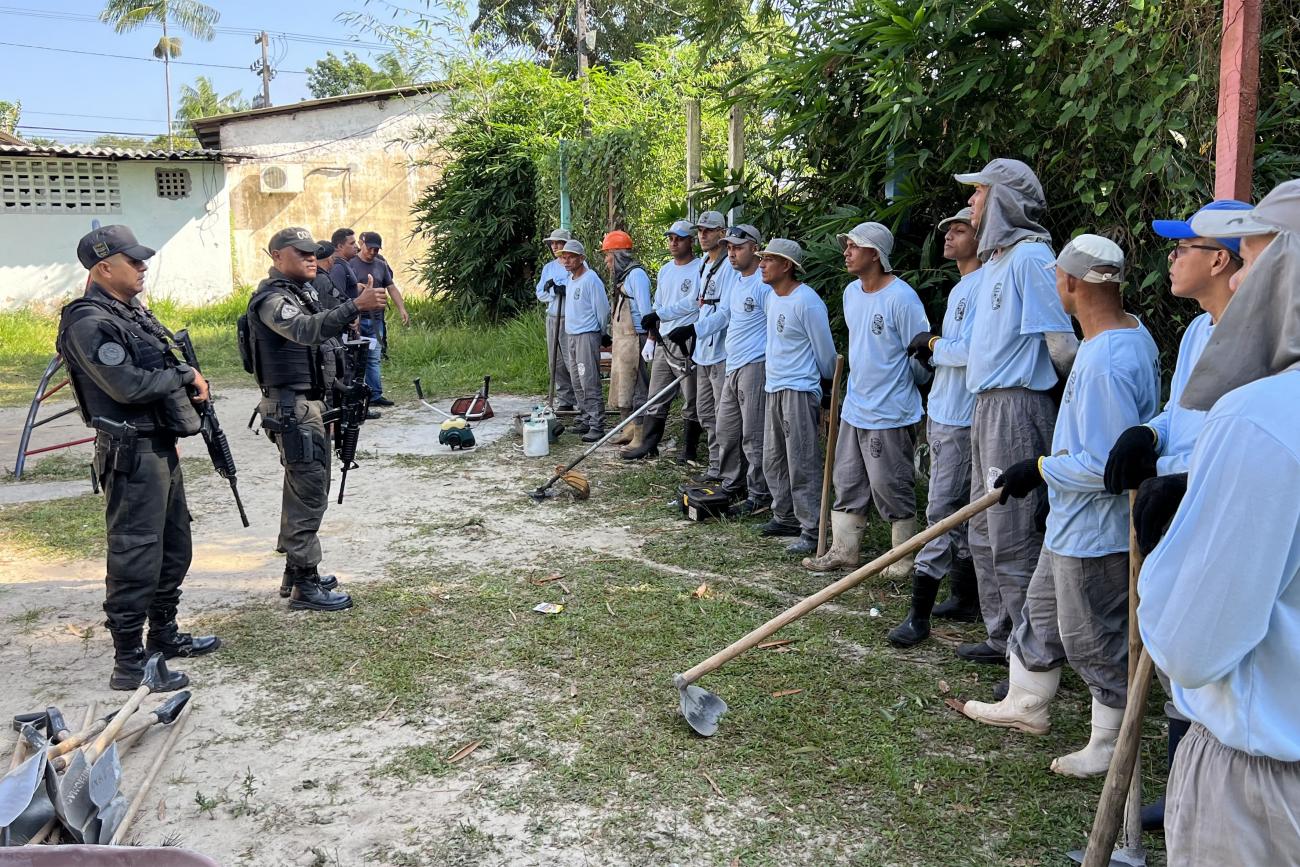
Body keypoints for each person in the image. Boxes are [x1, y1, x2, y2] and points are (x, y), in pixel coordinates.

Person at [1136, 180, 1300, 865]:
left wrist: (1167, 558)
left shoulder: (1262, 417)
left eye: (1252, 258)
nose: (1239, 278)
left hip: (1261, 778)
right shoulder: (1210, 355)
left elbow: (1193, 643)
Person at [962, 235, 1160, 779]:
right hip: (1071, 520)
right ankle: (1026, 703)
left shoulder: (1108, 362)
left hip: (1096, 529)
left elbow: (1106, 468)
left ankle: (1109, 742)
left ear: (1070, 282)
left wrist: (1040, 469)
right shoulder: (1123, 336)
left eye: (1057, 277)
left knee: (1089, 635)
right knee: (1042, 610)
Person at [1102, 198, 1250, 830]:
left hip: (1215, 513)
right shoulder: (1195, 333)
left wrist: (1183, 479)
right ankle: (1180, 785)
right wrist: (1148, 434)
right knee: (1168, 647)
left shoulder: (1257, 342)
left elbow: (1241, 442)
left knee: (1207, 649)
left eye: (1183, 248)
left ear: (1220, 260)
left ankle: (1209, 793)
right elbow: (1179, 415)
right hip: (1171, 508)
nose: (1171, 258)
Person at [56, 224, 217, 690]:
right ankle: (128, 661)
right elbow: (126, 386)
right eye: (133, 261)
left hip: (157, 445)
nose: (143, 267)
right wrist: (185, 375)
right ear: (104, 268)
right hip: (131, 452)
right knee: (135, 554)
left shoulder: (129, 314)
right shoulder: (89, 322)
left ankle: (163, 634)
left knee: (174, 546)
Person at [951, 158, 1078, 666]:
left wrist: (1072, 407)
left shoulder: (1031, 258)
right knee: (984, 528)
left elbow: (1061, 345)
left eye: (980, 192)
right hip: (985, 405)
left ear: (1002, 199)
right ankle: (1001, 633)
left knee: (1014, 530)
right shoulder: (996, 262)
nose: (972, 201)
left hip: (1017, 408)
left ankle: (1029, 651)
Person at [246, 227, 389, 610]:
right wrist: (355, 306)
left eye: (314, 252)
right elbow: (306, 331)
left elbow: (324, 347)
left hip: (308, 405)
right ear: (277, 256)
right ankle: (305, 586)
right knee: (308, 493)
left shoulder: (301, 293)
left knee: (306, 489)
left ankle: (296, 571)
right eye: (301, 253)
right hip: (291, 408)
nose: (311, 258)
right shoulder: (273, 300)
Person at [803, 222, 929, 585]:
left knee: (890, 484)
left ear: (875, 254)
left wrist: (906, 392)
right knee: (847, 479)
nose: (846, 253)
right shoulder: (851, 293)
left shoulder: (902, 298)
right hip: (856, 406)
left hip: (889, 411)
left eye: (853, 246)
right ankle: (844, 550)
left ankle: (902, 557)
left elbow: (920, 357)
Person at [889, 208, 982, 645]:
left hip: (963, 416)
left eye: (960, 229)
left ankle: (919, 614)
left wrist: (933, 343)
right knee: (955, 511)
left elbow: (974, 351)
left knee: (942, 511)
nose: (948, 235)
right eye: (947, 229)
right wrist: (933, 355)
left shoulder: (986, 284)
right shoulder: (963, 286)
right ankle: (964, 597)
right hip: (945, 409)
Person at [669, 224, 772, 515]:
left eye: (738, 247)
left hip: (755, 363)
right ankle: (731, 481)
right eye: (730, 247)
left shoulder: (764, 284)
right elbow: (725, 313)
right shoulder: (737, 281)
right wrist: (695, 329)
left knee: (752, 434)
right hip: (732, 362)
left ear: (755, 249)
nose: (732, 253)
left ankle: (758, 494)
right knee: (726, 428)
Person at [758, 239, 837, 554]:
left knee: (802, 459)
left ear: (787, 265)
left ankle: (812, 528)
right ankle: (785, 516)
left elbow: (826, 354)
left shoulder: (807, 301)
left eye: (769, 259)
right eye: (762, 259)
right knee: (773, 457)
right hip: (774, 386)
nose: (762, 265)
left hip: (799, 388)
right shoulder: (771, 298)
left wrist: (827, 386)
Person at [657, 210, 734, 474]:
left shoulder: (729, 268)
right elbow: (694, 301)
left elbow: (726, 312)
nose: (703, 235)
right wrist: (660, 315)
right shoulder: (704, 264)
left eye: (708, 230)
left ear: (722, 233)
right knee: (705, 411)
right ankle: (714, 465)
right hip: (702, 352)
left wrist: (694, 329)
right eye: (700, 230)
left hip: (721, 350)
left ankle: (726, 469)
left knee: (724, 415)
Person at [623, 220, 701, 460]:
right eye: (671, 238)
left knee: (690, 395)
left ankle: (689, 450)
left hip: (685, 340)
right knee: (656, 394)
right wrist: (651, 335)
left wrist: (661, 314)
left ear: (691, 241)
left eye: (679, 238)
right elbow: (658, 303)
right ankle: (649, 444)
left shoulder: (699, 268)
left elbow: (693, 303)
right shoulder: (666, 270)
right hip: (664, 339)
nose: (674, 243)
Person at [601, 231, 653, 447]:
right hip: (623, 340)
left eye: (608, 255)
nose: (606, 261)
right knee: (623, 385)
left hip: (636, 338)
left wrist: (650, 339)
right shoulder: (624, 277)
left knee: (638, 386)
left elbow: (646, 312)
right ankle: (629, 427)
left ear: (618, 255)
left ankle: (641, 433)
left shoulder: (637, 276)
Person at [347, 231, 410, 408]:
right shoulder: (351, 264)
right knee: (355, 360)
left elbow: (392, 288)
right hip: (357, 319)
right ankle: (355, 397)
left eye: (376, 249)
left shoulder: (381, 265)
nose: (373, 252)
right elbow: (345, 290)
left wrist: (402, 308)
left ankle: (375, 395)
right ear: (363, 244)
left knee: (374, 358)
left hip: (376, 320)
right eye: (370, 248)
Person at [558, 239, 610, 441]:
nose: (566, 261)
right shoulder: (570, 280)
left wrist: (601, 331)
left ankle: (597, 423)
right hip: (571, 334)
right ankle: (585, 418)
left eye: (570, 257)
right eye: (564, 257)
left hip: (587, 334)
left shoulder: (591, 279)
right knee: (576, 380)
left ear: (581, 258)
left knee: (588, 379)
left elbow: (602, 309)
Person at [536, 227, 576, 411]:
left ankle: (580, 398)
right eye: (552, 243)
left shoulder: (576, 264)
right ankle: (565, 399)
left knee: (571, 359)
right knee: (556, 360)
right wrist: (553, 291)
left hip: (570, 317)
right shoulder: (549, 268)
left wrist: (565, 290)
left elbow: (578, 288)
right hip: (553, 316)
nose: (555, 246)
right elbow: (540, 292)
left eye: (558, 243)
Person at [328, 228, 360, 300]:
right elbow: (337, 300)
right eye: (352, 243)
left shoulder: (344, 264)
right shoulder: (338, 268)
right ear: (340, 246)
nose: (356, 246)